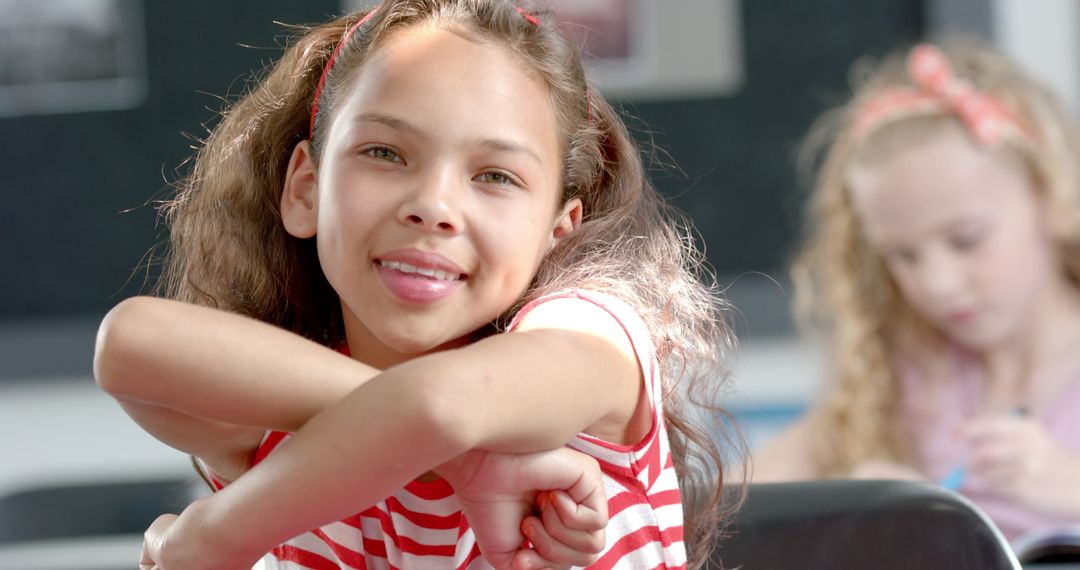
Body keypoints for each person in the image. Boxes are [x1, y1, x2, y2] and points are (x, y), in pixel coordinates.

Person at [93, 1, 740, 568]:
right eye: (384, 153)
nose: (433, 205)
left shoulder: (592, 335)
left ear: (558, 228)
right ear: (305, 189)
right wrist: (469, 464)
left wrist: (215, 538)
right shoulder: (286, 440)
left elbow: (442, 407)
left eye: (495, 177)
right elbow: (129, 345)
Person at [752, 42, 1080, 541]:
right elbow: (733, 496)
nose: (936, 284)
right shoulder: (912, 375)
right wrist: (864, 503)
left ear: (1053, 195)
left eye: (966, 240)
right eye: (901, 255)